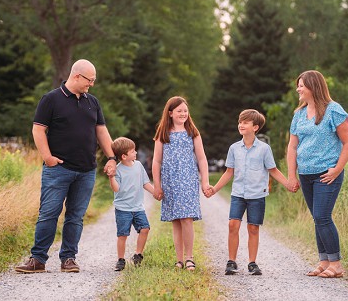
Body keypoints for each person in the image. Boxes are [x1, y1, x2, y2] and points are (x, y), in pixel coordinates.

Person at [15, 59, 117, 273]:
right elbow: (38, 130)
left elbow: (101, 131)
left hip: (86, 170)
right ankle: (38, 259)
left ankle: (68, 259)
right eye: (90, 80)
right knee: (49, 213)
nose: (92, 84)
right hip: (58, 169)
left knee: (75, 216)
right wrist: (48, 157)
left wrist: (111, 157)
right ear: (77, 76)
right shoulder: (51, 99)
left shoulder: (93, 102)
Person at [205, 109, 296, 275]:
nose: (241, 125)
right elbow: (228, 172)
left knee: (253, 228)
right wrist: (214, 189)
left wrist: (288, 184)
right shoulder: (234, 148)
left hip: (257, 195)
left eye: (245, 122)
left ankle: (252, 263)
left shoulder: (264, 149)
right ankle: (231, 261)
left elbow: (273, 170)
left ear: (255, 127)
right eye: (240, 122)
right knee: (233, 224)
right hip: (238, 194)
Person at [286, 70, 348, 278]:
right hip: (306, 174)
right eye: (298, 85)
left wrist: (337, 169)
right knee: (317, 219)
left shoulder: (334, 111)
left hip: (327, 174)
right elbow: (292, 147)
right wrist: (292, 175)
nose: (298, 88)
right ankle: (324, 261)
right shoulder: (298, 114)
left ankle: (336, 264)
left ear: (313, 86)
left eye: (301, 85)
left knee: (322, 216)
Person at [152, 96, 210, 271]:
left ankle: (189, 257)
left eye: (185, 111)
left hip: (188, 180)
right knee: (176, 220)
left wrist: (205, 181)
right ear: (170, 113)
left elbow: (202, 158)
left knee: (187, 219)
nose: (183, 114)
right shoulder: (163, 134)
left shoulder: (193, 133)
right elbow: (156, 161)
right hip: (170, 182)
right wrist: (157, 185)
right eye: (179, 111)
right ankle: (179, 259)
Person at [108, 137, 155, 271]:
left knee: (145, 229)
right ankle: (121, 260)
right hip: (123, 209)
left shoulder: (139, 166)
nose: (135, 153)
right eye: (133, 151)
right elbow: (116, 189)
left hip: (138, 207)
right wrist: (111, 178)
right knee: (123, 235)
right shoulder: (118, 170)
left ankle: (138, 255)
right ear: (124, 156)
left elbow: (145, 183)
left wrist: (155, 193)